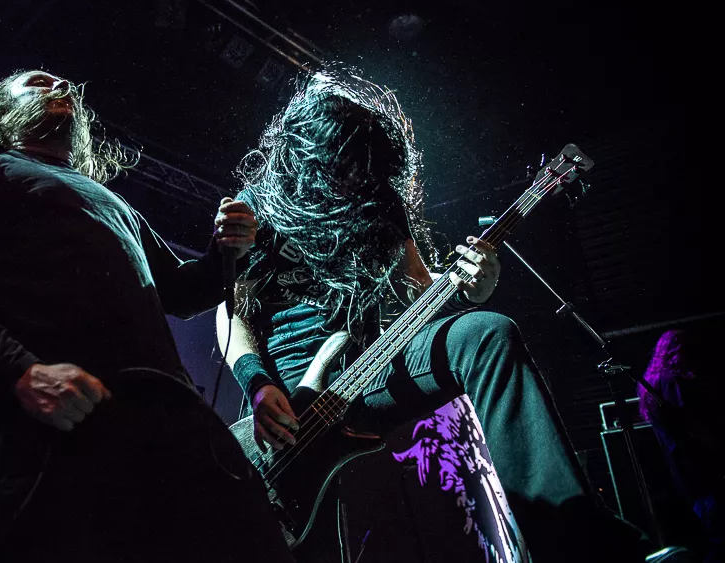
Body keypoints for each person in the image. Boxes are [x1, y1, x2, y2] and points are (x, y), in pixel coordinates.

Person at [216, 71, 647, 562]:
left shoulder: (378, 200)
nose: (357, 181)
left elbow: (421, 292)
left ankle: (574, 538)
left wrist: (472, 289)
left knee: (486, 334)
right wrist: (257, 384)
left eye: (365, 170)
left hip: (369, 367)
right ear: (312, 156)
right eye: (347, 167)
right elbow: (230, 313)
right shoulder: (259, 208)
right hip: (290, 399)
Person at [0, 70, 294, 562]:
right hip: (59, 422)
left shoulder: (113, 202)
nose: (61, 87)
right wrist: (21, 372)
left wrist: (226, 251)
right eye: (39, 82)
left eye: (64, 84)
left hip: (170, 420)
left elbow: (181, 292)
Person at [640, 328, 724, 562]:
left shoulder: (652, 384)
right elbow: (694, 423)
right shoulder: (673, 381)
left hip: (689, 475)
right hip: (707, 470)